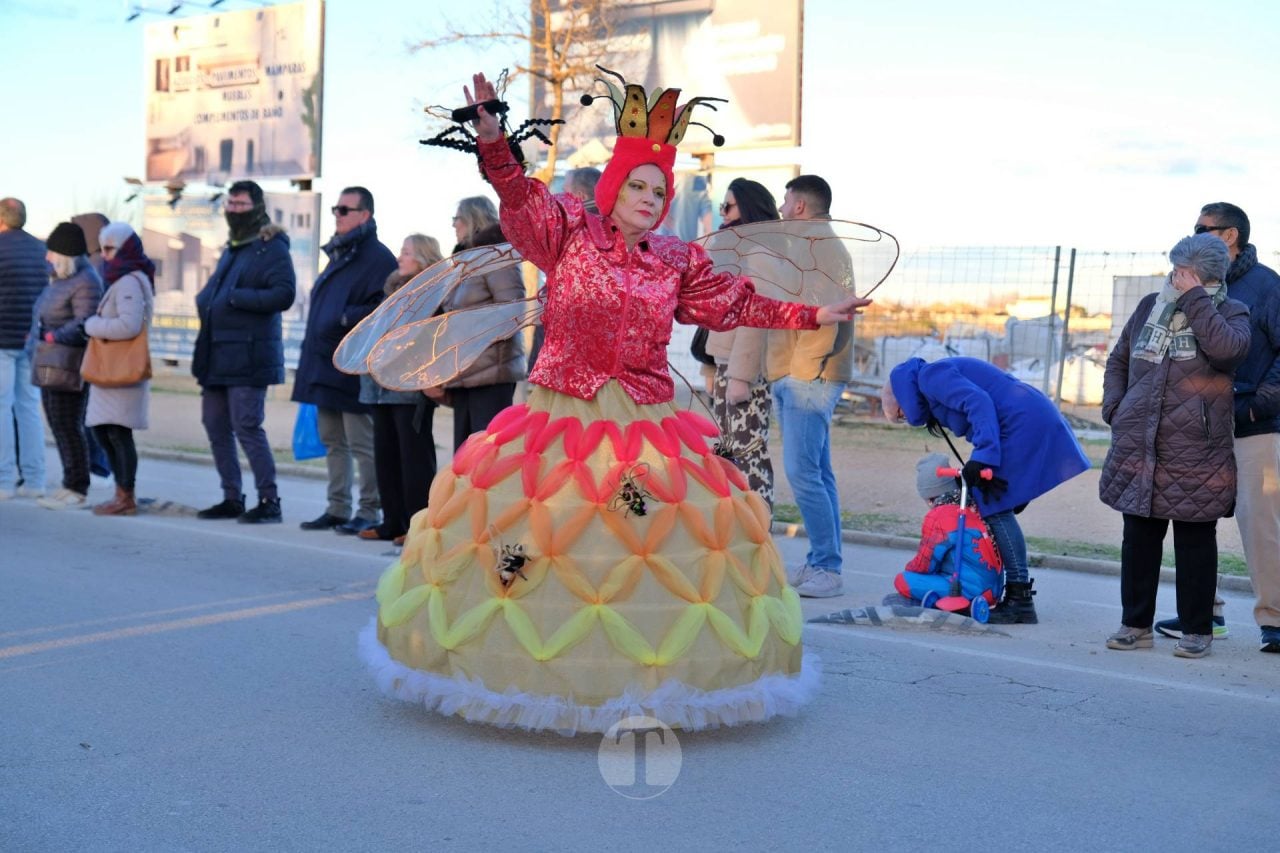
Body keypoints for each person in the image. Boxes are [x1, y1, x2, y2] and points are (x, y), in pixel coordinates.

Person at [357, 70, 869, 734]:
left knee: (644, 531)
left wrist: (811, 312)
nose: (650, 199)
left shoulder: (675, 260)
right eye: (638, 186)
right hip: (559, 416)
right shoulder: (568, 231)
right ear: (613, 186)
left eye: (660, 190)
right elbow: (517, 196)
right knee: (533, 529)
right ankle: (509, 634)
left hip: (646, 428)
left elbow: (735, 302)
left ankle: (646, 667)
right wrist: (493, 141)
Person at [1100, 235, 1251, 657]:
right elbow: (1119, 358)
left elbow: (1226, 351)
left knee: (1195, 543)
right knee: (1139, 538)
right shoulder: (1150, 306)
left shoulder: (1232, 312)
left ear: (1206, 277)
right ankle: (1135, 624)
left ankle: (1197, 629)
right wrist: (1116, 406)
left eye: (1183, 273)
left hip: (1196, 449)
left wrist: (1196, 300)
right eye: (1174, 270)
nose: (1174, 277)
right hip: (1140, 441)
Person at [1153, 203, 1280, 654]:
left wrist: (1257, 405)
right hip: (1200, 423)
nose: (1195, 234)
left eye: (1203, 228)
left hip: (1251, 423)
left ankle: (1274, 620)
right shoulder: (1190, 284)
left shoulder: (1267, 286)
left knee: (1259, 520)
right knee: (1194, 516)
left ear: (1230, 236)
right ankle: (1203, 613)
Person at [881, 355, 1091, 624]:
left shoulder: (930, 376)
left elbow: (978, 402)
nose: (906, 419)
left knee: (994, 506)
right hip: (1023, 420)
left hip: (1023, 423)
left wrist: (984, 457)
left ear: (899, 397)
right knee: (992, 500)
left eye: (899, 413)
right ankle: (1006, 590)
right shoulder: (928, 386)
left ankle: (1019, 599)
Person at [192, 180, 297, 524]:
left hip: (250, 356)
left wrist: (236, 298)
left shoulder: (271, 247)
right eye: (230, 204)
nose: (234, 210)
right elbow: (212, 294)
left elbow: (284, 294)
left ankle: (270, 501)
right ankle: (231, 497)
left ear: (256, 206)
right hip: (218, 355)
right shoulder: (233, 247)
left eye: (240, 205)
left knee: (248, 427)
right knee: (215, 424)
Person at [292, 186, 395, 535]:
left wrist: (343, 317)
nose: (336, 214)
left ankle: (369, 510)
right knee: (332, 439)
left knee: (361, 443)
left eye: (344, 209)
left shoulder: (379, 258)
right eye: (336, 209)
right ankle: (337, 508)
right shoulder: (341, 254)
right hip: (324, 363)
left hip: (353, 365)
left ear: (365, 215)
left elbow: (385, 310)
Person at [772, 175, 855, 597]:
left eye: (786, 201)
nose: (782, 209)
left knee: (803, 474)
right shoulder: (813, 244)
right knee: (818, 473)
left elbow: (830, 315)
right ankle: (821, 562)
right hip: (805, 373)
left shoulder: (818, 246)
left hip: (809, 376)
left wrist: (802, 370)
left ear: (801, 205)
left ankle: (827, 568)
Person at [357, 234, 442, 544]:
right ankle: (391, 521)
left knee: (414, 458)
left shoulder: (431, 291)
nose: (399, 257)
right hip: (380, 385)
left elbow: (428, 339)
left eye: (406, 252)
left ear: (422, 257)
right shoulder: (391, 290)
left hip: (410, 387)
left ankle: (416, 525)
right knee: (386, 455)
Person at [702, 178, 780, 509]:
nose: (723, 212)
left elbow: (756, 316)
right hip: (724, 363)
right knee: (726, 454)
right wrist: (710, 364)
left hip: (744, 370)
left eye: (728, 205)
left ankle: (760, 532)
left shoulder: (760, 253)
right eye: (722, 206)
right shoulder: (732, 248)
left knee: (749, 454)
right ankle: (736, 533)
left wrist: (740, 376)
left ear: (747, 208)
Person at [427, 196, 526, 450]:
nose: (453, 226)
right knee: (464, 460)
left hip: (491, 374)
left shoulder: (496, 256)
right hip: (465, 372)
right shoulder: (466, 262)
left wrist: (470, 337)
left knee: (486, 458)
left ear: (472, 219)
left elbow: (511, 311)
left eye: (456, 219)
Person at [84, 222, 155, 516]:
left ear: (126, 248)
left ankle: (125, 496)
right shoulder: (124, 278)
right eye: (102, 249)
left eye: (111, 248)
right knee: (106, 431)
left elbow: (129, 325)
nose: (105, 255)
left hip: (121, 370)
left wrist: (91, 325)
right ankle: (121, 493)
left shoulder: (128, 281)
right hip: (112, 370)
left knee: (116, 433)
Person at [32, 222, 102, 509]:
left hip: (69, 361)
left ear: (65, 255)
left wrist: (53, 336)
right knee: (57, 424)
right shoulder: (60, 278)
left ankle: (77, 486)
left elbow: (84, 321)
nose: (47, 257)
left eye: (51, 252)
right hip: (51, 358)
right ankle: (68, 482)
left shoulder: (86, 280)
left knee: (69, 424)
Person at [0, 197, 49, 500]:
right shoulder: (41, 250)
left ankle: (3, 481)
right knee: (29, 408)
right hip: (31, 342)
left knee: (2, 409)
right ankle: (35, 481)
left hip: (1, 342)